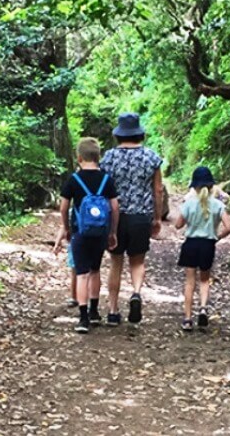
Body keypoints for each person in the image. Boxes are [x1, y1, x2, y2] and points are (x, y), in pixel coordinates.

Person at [99, 112, 164, 326]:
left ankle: (113, 310)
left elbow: (102, 189)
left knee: (115, 262)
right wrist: (156, 218)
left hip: (115, 217)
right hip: (140, 216)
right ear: (139, 134)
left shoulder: (108, 158)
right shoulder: (151, 157)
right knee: (138, 261)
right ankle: (136, 293)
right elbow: (158, 190)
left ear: (119, 134)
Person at [59, 138, 119, 333]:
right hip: (100, 233)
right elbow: (115, 207)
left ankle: (83, 318)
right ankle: (94, 312)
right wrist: (112, 231)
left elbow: (64, 206)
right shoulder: (106, 179)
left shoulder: (73, 180)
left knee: (82, 274)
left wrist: (66, 227)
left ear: (79, 157)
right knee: (95, 271)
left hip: (80, 232)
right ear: (98, 157)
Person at [174, 167, 230, 331]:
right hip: (208, 245)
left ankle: (187, 319)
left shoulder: (189, 203)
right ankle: (203, 309)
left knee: (189, 281)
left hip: (191, 243)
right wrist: (217, 237)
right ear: (212, 186)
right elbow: (229, 227)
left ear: (194, 186)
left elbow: (178, 225)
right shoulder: (218, 205)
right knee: (205, 280)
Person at [51, 228, 78, 307]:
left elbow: (64, 226)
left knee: (75, 270)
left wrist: (57, 242)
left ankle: (74, 298)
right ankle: (90, 301)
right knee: (92, 272)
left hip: (75, 240)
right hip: (94, 239)